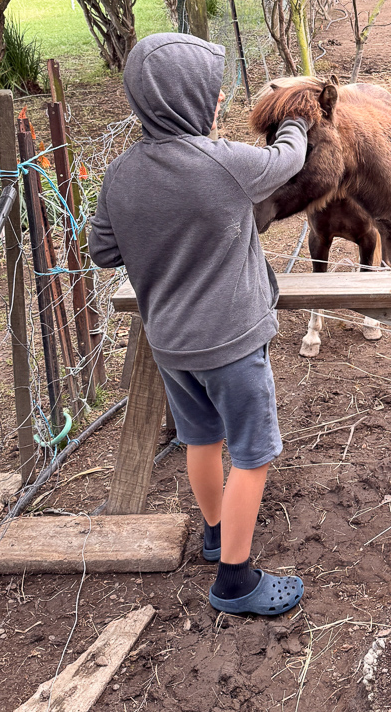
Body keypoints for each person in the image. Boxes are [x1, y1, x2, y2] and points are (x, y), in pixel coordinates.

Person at [89, 33, 308, 617]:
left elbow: (103, 252)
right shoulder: (224, 163)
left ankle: (215, 533)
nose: (220, 101)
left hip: (171, 344)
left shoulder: (120, 175)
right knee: (253, 455)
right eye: (212, 92)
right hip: (232, 344)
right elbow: (288, 161)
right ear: (185, 98)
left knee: (202, 439)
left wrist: (157, 236)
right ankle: (236, 580)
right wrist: (296, 119)